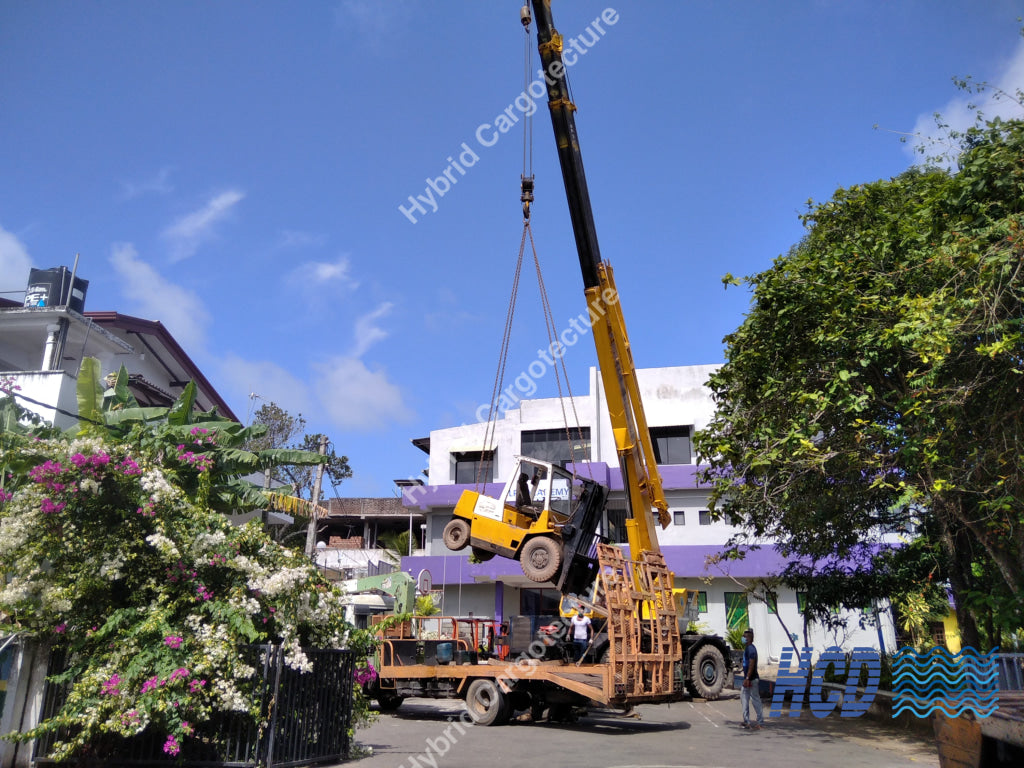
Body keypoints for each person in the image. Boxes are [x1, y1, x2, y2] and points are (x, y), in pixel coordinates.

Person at [740, 628, 764, 729]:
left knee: (755, 700)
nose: (743, 638)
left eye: (744, 637)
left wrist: (747, 677)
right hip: (748, 678)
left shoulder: (751, 649)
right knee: (744, 697)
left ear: (749, 638)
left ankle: (760, 722)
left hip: (752, 679)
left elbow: (751, 663)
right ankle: (746, 721)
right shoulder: (748, 648)